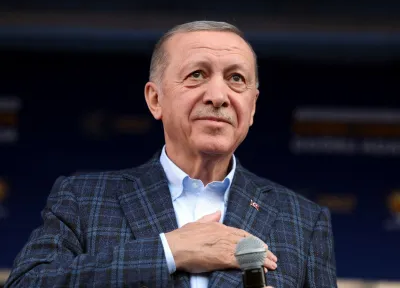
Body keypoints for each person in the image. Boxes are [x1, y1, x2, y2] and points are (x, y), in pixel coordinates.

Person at [5, 21, 337, 288]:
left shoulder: (303, 220)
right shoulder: (83, 198)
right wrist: (168, 251)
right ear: (155, 99)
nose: (218, 96)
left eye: (236, 79)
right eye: (198, 74)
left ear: (251, 107)